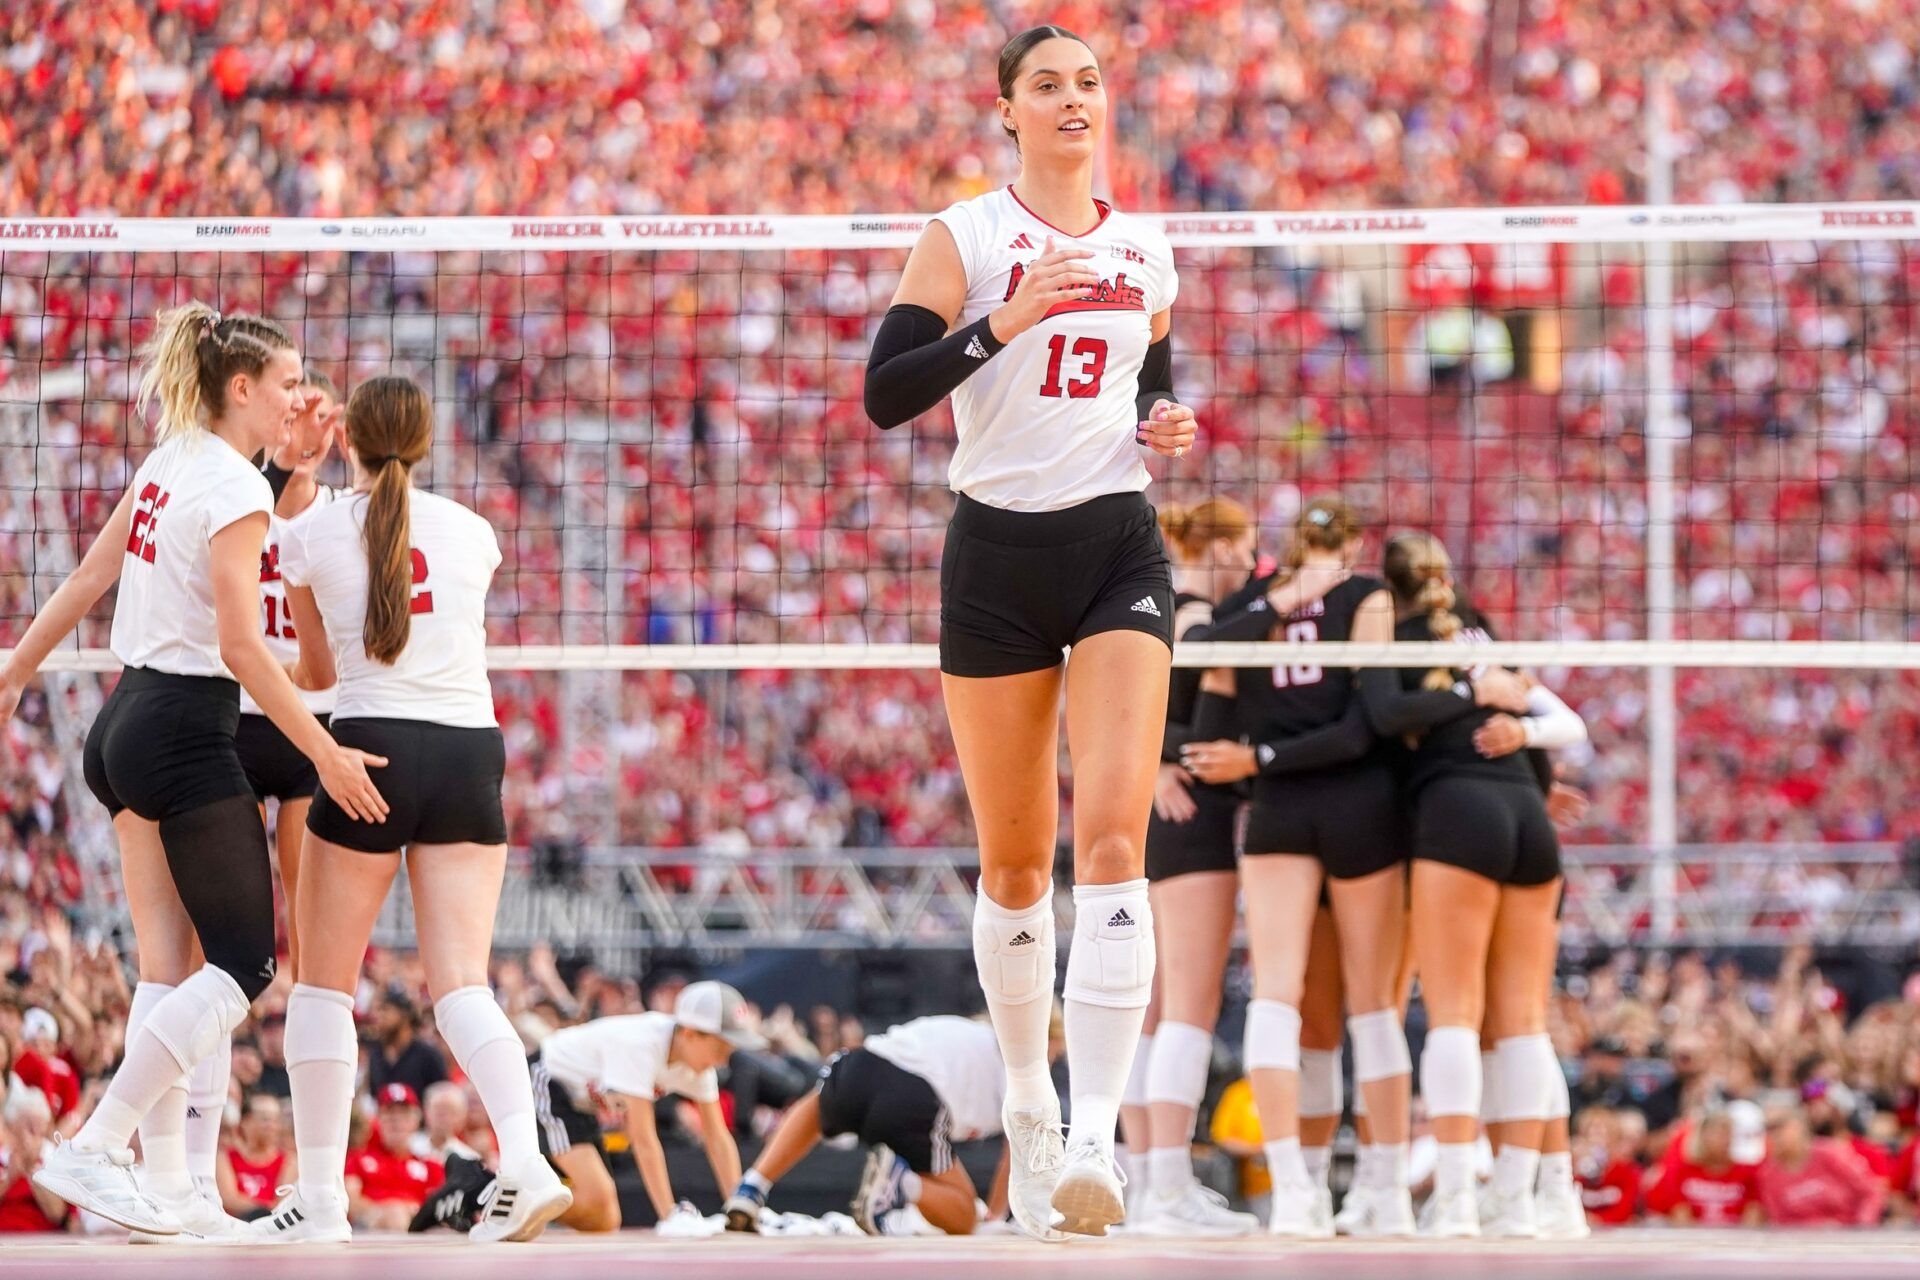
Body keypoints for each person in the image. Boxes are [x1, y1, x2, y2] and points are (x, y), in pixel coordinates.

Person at [864, 24, 1195, 1240]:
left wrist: (1165, 420)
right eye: (1046, 84)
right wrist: (1005, 322)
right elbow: (887, 392)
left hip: (1117, 544)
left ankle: (1094, 1139)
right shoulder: (968, 235)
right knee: (1016, 864)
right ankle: (1027, 1101)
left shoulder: (1147, 245)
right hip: (996, 553)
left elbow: (1154, 373)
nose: (1072, 99)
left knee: (1113, 840)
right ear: (1006, 109)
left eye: (1088, 82)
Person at [0, 302, 386, 1240]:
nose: (301, 393)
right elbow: (247, 653)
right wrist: (325, 749)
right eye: (289, 380)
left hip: (122, 722)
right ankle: (101, 1142)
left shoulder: (173, 459)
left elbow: (90, 578)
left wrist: (12, 673)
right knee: (248, 964)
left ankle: (170, 1189)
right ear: (244, 389)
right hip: (183, 727)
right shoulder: (234, 491)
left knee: (167, 970)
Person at [249, 375, 566, 1246]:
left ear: (346, 435)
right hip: (469, 750)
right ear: (427, 440)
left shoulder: (308, 532)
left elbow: (316, 677)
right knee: (462, 984)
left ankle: (318, 1201)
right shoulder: (476, 532)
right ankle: (528, 1165)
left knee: (322, 985)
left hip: (368, 750)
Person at [1188, 504, 1534, 1237]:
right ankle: (1379, 1188)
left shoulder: (1254, 603)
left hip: (1278, 810)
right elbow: (1368, 722)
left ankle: (1294, 1191)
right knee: (1373, 1009)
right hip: (1359, 805)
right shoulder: (1366, 596)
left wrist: (1256, 756)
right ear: (1347, 549)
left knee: (1277, 999)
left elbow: (1203, 655)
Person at [1381, 532, 1582, 1239]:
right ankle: (1523, 1202)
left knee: (1456, 1017)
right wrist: (1520, 739)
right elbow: (1569, 723)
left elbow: (1378, 722)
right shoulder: (1486, 642)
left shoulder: (1393, 639)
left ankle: (1461, 1196)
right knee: (1524, 1022)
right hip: (1529, 820)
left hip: (1456, 813)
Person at [1126, 498, 1259, 1236]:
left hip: (1157, 818)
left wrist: (1153, 763)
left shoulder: (1152, 600)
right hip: (1190, 820)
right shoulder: (1198, 612)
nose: (1251, 562)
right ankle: (1166, 1187)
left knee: (1150, 1011)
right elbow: (1200, 679)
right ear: (1223, 545)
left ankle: (1151, 1184)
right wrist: (1165, 763)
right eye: (1245, 548)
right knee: (1186, 1008)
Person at [726, 1011, 1054, 1236]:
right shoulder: (1023, 1063)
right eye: (1055, 1050)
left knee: (819, 1100)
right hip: (915, 1096)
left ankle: (752, 1187)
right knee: (964, 1215)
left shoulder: (960, 1029)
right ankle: (901, 1183)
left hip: (861, 1064)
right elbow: (1015, 1154)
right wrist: (994, 1216)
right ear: (1045, 1038)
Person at [528, 980, 755, 1232]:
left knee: (604, 1218)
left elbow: (717, 1137)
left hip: (581, 1104)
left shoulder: (699, 1066)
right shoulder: (642, 1046)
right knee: (598, 1196)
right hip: (547, 1079)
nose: (724, 1060)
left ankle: (522, 1198)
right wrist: (669, 1215)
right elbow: (643, 1139)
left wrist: (740, 1208)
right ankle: (505, 1193)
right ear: (690, 1033)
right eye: (721, 1047)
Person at [1755, 1108, 1884, 1226]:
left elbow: (1870, 1192)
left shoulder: (1830, 1154)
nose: (1775, 1137)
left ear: (1798, 1126)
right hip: (1801, 1243)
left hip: (1848, 1235)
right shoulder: (1769, 1174)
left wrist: (1862, 1226)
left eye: (1779, 1129)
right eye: (1769, 1131)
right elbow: (1779, 1220)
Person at [345, 1084, 445, 1231]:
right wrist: (387, 1211)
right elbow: (349, 1200)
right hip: (369, 1229)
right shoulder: (358, 1159)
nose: (396, 1121)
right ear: (378, 1119)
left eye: (403, 1115)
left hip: (417, 1229)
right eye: (390, 1114)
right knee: (396, 1215)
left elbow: (440, 1207)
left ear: (416, 1121)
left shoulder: (431, 1166)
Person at [1644, 1106, 1762, 1226]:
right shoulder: (1682, 1172)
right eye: (1720, 1134)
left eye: (1729, 1133)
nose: (1726, 1140)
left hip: (1737, 1240)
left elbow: (1753, 1219)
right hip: (1695, 1240)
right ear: (1702, 1136)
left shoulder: (1747, 1174)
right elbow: (1680, 1218)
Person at [217, 1093, 293, 1219]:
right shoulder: (225, 1158)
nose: (272, 1126)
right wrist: (266, 1208)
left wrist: (256, 1208)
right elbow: (227, 1198)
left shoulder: (289, 1161)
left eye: (276, 1120)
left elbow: (283, 1205)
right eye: (265, 1119)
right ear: (246, 1122)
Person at [367, 993, 449, 1100]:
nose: (379, 1017)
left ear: (405, 1014)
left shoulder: (428, 1056)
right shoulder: (376, 1054)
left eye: (385, 1010)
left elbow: (441, 1098)